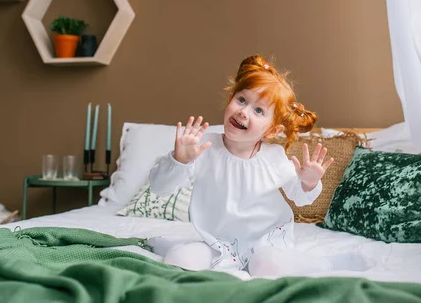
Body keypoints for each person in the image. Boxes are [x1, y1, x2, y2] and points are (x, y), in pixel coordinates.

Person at [148, 55, 366, 278]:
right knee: (179, 260)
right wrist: (179, 160)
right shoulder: (205, 147)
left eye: (259, 111)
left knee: (266, 266)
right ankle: (174, 248)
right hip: (217, 244)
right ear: (231, 98)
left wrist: (308, 182)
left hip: (266, 243)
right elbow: (159, 188)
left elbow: (300, 196)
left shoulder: (274, 157)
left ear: (271, 131)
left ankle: (326, 264)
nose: (244, 111)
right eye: (242, 100)